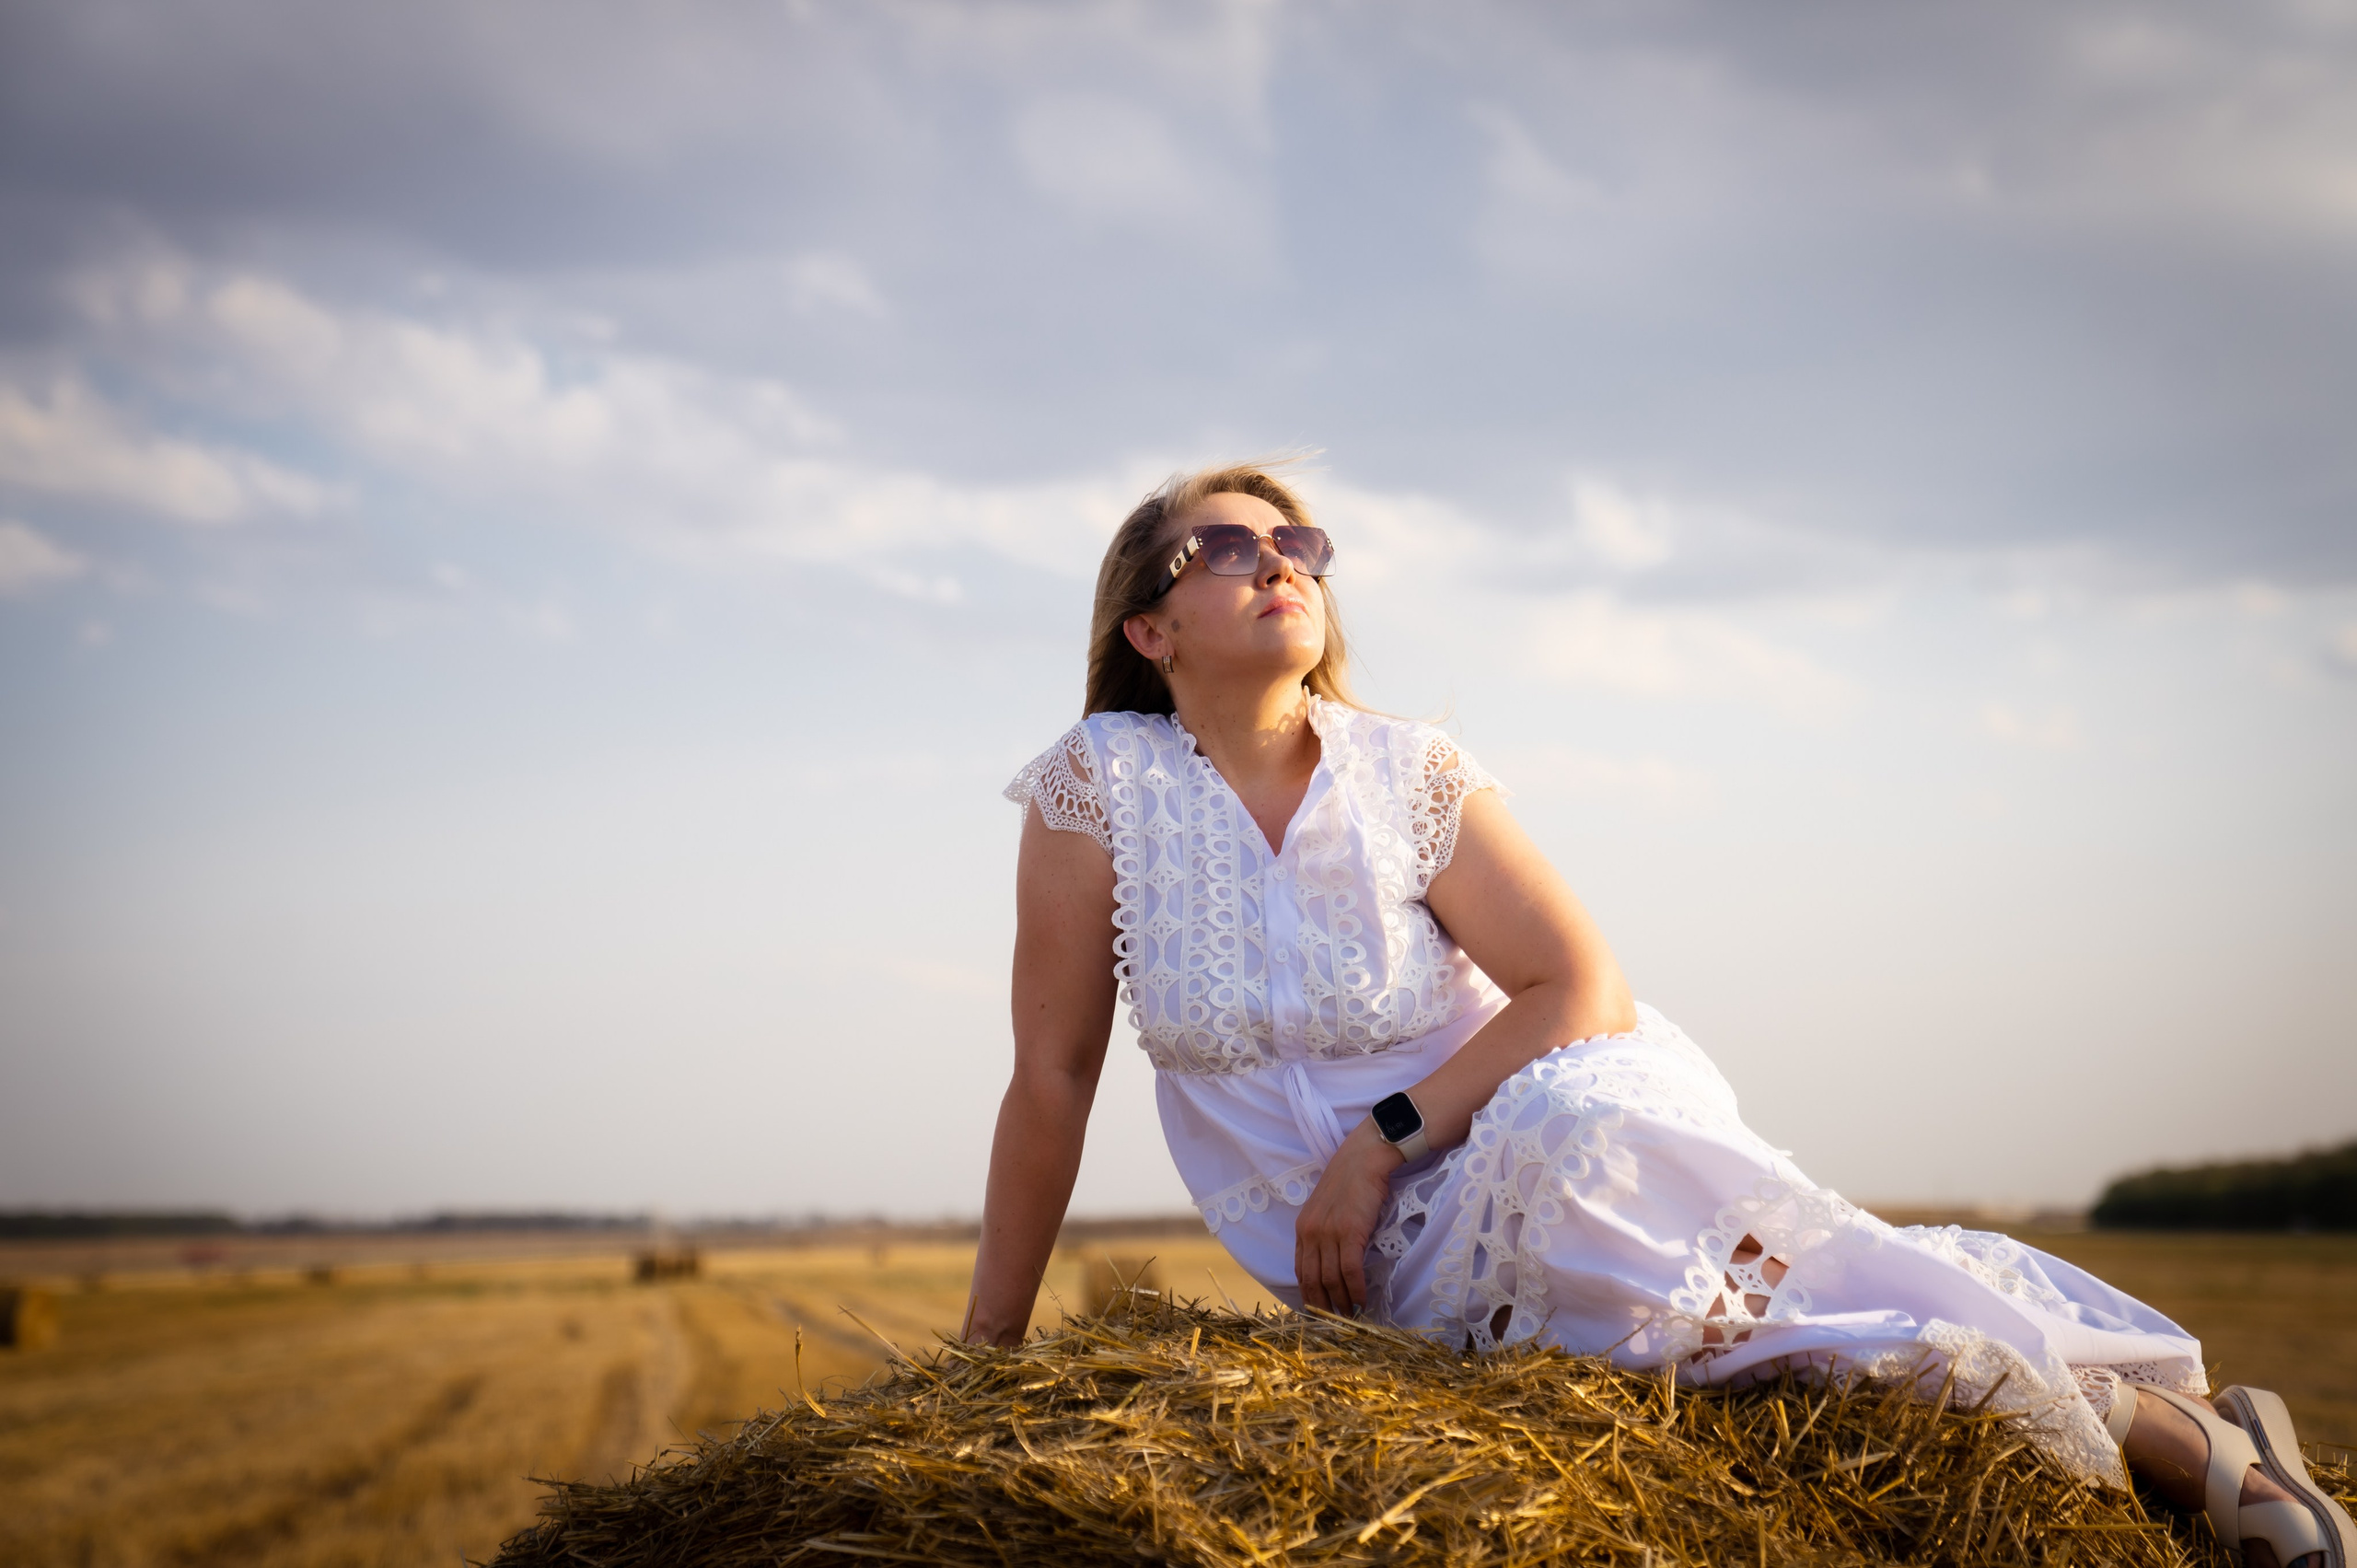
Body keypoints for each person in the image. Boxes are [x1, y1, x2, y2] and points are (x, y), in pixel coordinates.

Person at [965, 461, 2352, 1568]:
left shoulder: (1408, 774)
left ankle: (2156, 1431)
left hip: (1537, 1109)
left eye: (1300, 544)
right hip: (1380, 1266)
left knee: (1623, 1186)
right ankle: (2169, 1421)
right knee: (1742, 1338)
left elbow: (1583, 987)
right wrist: (988, 1361)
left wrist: (1379, 1138)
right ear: (1149, 628)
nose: (1280, 560)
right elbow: (1052, 1076)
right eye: (1227, 547)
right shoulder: (1102, 788)